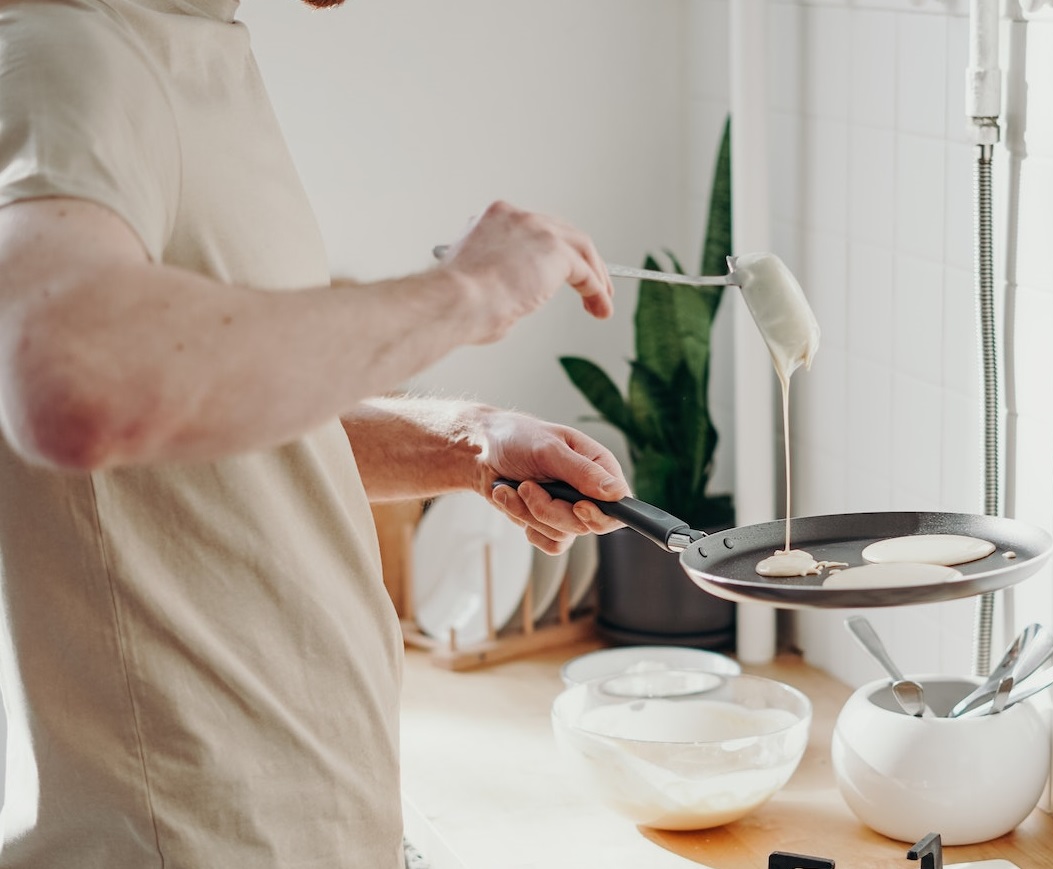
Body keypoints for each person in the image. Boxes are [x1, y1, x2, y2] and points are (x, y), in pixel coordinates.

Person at [0, 0, 630, 866]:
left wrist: (467, 442)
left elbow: (209, 407)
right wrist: (468, 292)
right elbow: (70, 376)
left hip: (298, 819)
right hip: (194, 836)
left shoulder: (187, 43)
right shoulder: (72, 49)